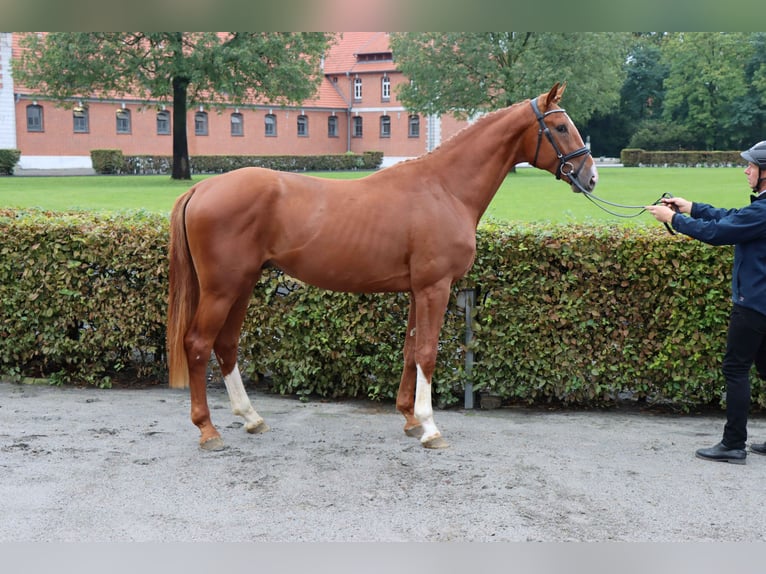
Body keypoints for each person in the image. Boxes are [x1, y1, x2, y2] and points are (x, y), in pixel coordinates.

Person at [645, 140, 766, 465]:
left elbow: (719, 233)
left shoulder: (764, 210)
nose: (746, 170)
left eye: (751, 166)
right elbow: (733, 217)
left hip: (754, 304)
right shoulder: (761, 209)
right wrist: (691, 207)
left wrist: (673, 220)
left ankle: (733, 444)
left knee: (735, 368)